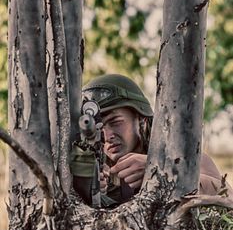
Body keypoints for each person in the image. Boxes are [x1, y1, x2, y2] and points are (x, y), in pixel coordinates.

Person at [70, 74, 233, 208]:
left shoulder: (181, 158)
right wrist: (89, 188)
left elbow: (227, 197)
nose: (107, 135)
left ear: (141, 120)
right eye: (99, 128)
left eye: (115, 122)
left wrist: (157, 172)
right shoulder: (100, 170)